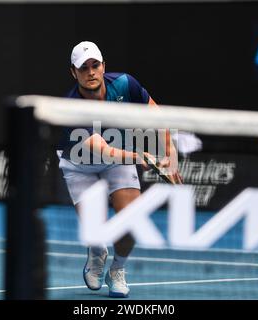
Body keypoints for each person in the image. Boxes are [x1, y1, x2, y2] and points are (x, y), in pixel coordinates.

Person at [58, 41, 182, 298]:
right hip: (80, 166)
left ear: (104, 67)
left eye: (95, 65)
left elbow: (156, 114)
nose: (90, 72)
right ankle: (97, 250)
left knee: (131, 222)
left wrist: (170, 151)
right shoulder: (72, 107)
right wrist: (139, 155)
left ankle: (117, 269)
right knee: (95, 229)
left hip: (118, 159)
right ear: (73, 72)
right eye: (83, 68)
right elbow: (101, 148)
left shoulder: (125, 85)